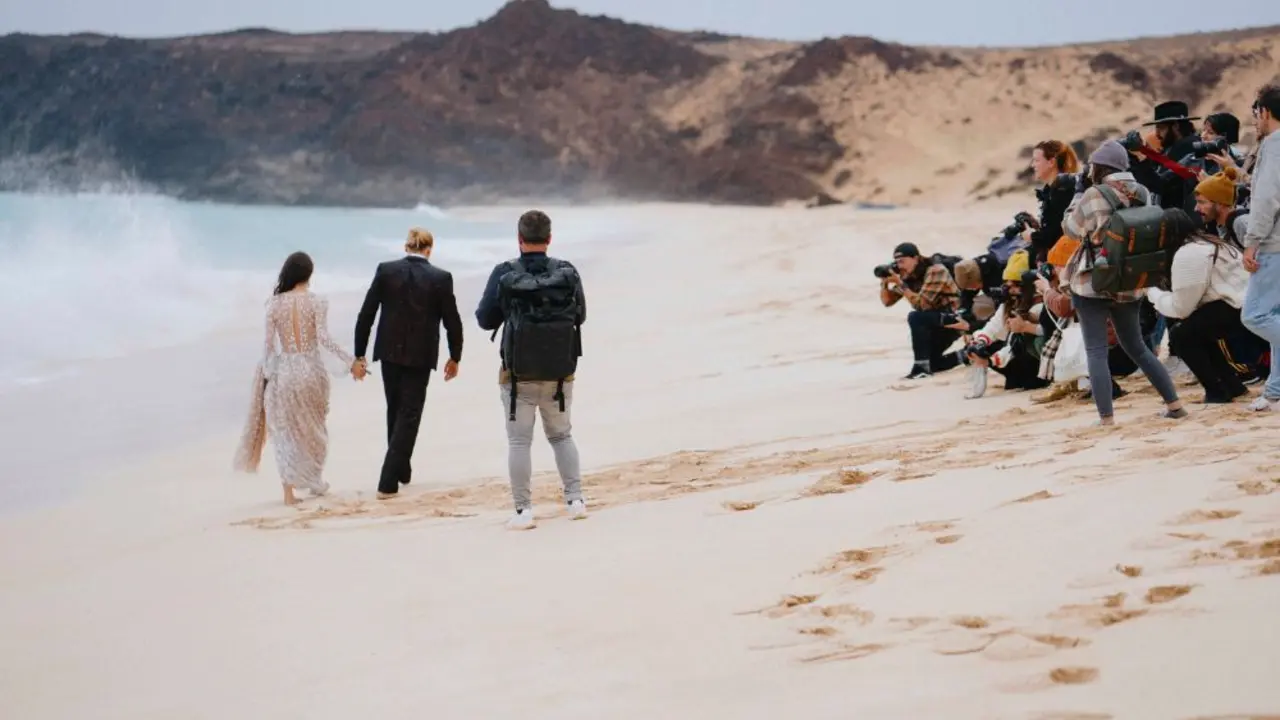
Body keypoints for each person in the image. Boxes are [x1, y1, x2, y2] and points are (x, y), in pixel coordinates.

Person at [475, 210, 587, 530]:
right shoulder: (567, 271)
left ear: (519, 238)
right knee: (562, 436)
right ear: (549, 238)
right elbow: (580, 316)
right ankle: (575, 501)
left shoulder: (504, 272)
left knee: (519, 442)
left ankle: (523, 511)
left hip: (518, 375)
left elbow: (485, 319)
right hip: (560, 372)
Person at [1062, 140, 1186, 425]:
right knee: (1138, 347)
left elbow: (1070, 229)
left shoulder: (1093, 194)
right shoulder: (1142, 191)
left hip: (1093, 279)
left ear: (1100, 167)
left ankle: (1106, 418)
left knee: (1095, 351)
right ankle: (1175, 404)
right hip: (1131, 278)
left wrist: (1077, 195)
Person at [233, 252, 362, 505]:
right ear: (309, 274)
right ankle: (314, 479)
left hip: (286, 372)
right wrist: (350, 361)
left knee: (287, 433)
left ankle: (288, 493)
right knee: (315, 429)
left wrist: (268, 373)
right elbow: (324, 339)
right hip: (311, 371)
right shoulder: (317, 302)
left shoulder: (274, 304)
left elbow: (268, 346)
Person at [354, 228, 464, 499]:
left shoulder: (386, 271)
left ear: (406, 248)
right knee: (409, 414)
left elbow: (366, 313)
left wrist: (359, 353)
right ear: (429, 250)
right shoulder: (440, 278)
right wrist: (455, 356)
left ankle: (401, 468)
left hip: (388, 351)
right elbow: (452, 321)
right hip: (420, 355)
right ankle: (387, 481)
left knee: (396, 409)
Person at [1145, 209, 1251, 404]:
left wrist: (1151, 291)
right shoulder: (1208, 241)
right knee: (1197, 329)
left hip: (1235, 306)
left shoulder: (1189, 253)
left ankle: (1217, 392)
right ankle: (1232, 386)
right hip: (1244, 302)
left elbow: (1181, 308)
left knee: (1181, 334)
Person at [961, 251, 1050, 398]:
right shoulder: (1010, 304)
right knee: (978, 345)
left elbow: (1017, 344)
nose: (1010, 290)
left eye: (1015, 284)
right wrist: (979, 343)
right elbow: (993, 328)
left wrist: (990, 361)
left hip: (1034, 361)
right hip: (1012, 356)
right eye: (1007, 284)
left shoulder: (1039, 305)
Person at [1241, 85, 1280, 412]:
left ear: (1265, 112)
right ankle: (1275, 392)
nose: (1255, 121)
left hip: (1273, 244)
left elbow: (1266, 200)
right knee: (1275, 316)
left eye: (1256, 114)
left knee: (1255, 315)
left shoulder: (1273, 146)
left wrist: (1252, 242)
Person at [879, 242, 966, 380]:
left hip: (955, 319)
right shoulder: (908, 276)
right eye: (897, 262)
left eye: (902, 261)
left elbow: (922, 305)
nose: (899, 266)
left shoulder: (935, 270)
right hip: (935, 322)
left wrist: (901, 283)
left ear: (916, 258)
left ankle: (921, 369)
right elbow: (887, 302)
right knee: (933, 363)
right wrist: (884, 283)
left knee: (915, 317)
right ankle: (967, 355)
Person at [1128, 100, 1202, 213]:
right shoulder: (1170, 147)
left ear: (1175, 126)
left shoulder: (1187, 146)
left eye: (1161, 128)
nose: (1157, 134)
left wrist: (1141, 156)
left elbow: (1161, 184)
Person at [1026, 140, 1081, 265]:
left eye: (1037, 160)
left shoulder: (1063, 190)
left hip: (1065, 262)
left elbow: (1056, 234)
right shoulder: (1053, 190)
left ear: (1051, 162)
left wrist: (1031, 236)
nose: (1033, 165)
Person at [1194, 167, 1249, 248]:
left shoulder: (1240, 222)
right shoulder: (1222, 225)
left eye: (1201, 202)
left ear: (1220, 203)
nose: (1196, 209)